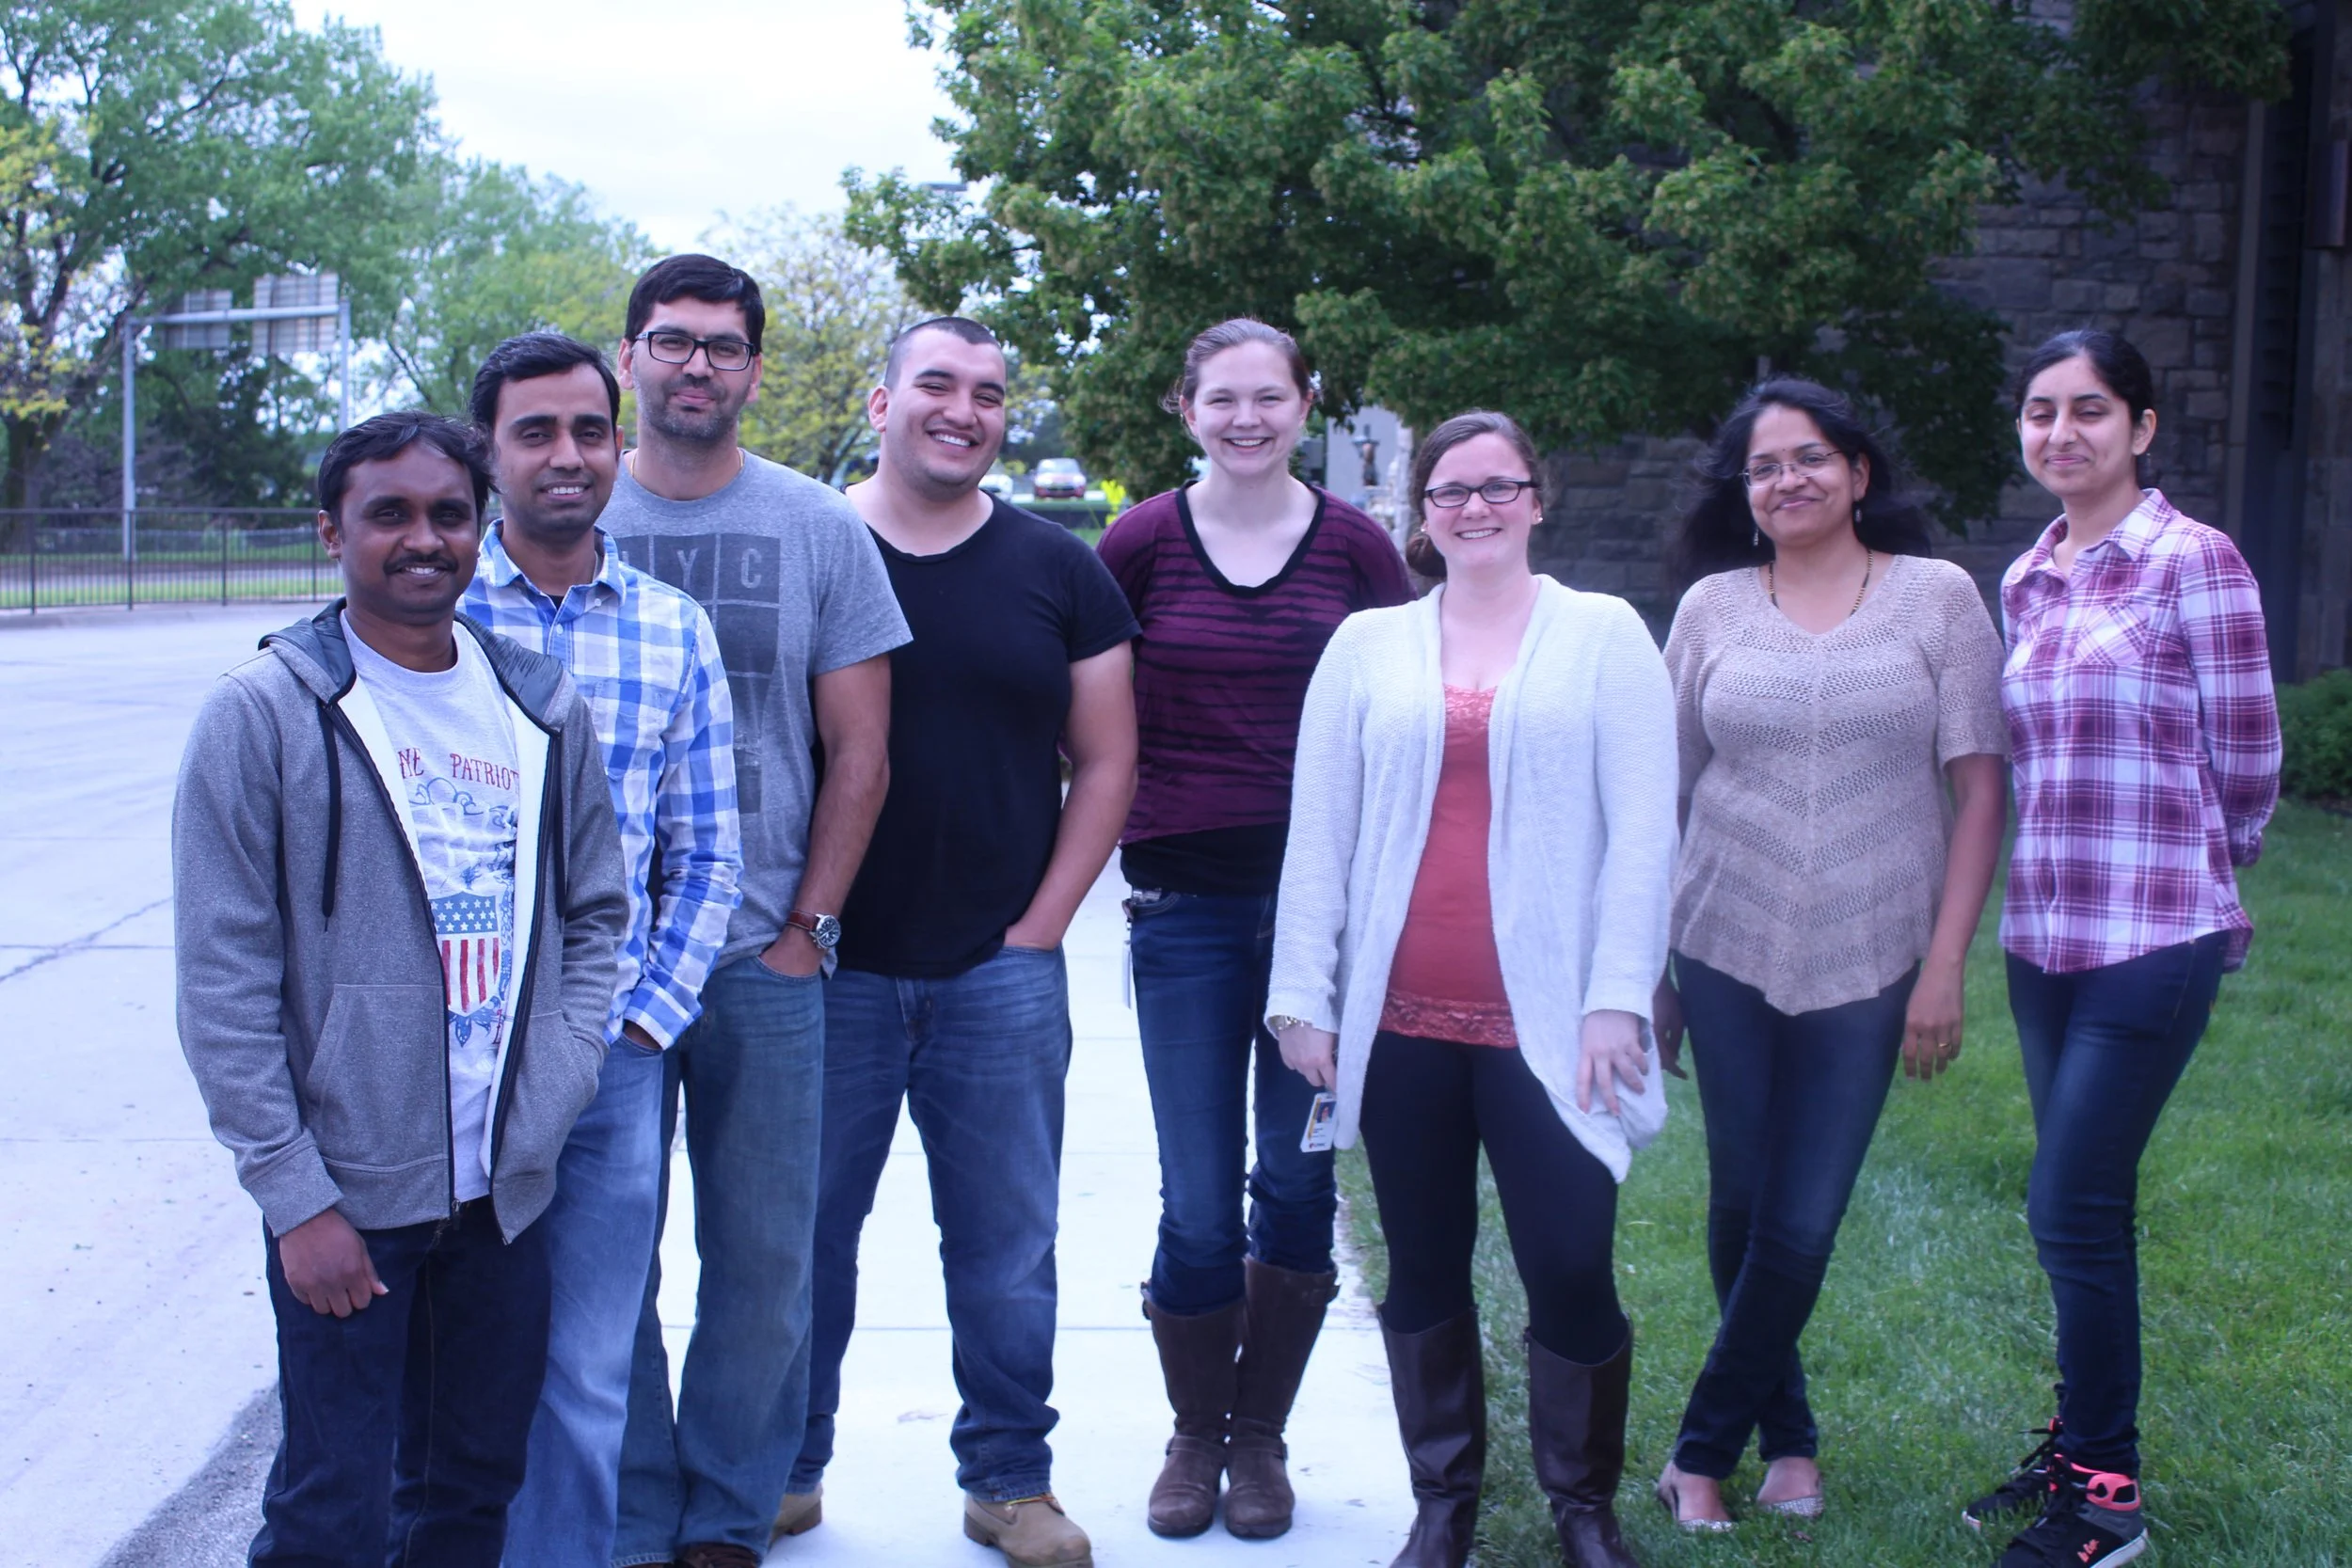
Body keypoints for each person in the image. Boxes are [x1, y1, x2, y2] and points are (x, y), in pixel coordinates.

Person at [172, 412, 629, 1567]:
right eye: (389, 513)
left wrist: (558, 1080)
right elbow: (225, 982)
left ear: (482, 531)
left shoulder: (537, 704)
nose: (422, 538)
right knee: (333, 1505)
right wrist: (295, 1197)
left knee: (471, 1487)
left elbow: (594, 913)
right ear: (332, 529)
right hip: (349, 1200)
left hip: (503, 1192)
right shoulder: (261, 715)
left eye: (448, 514)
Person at [1267, 410, 1677, 1568]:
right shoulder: (1365, 645)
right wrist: (1304, 993)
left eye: (1499, 486)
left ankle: (1581, 1507)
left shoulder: (1603, 635)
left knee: (1567, 1260)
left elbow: (1647, 832)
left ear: (1537, 499)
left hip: (1551, 1020)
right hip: (1400, 1021)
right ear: (1424, 515)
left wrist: (1616, 995)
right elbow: (1320, 832)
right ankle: (1443, 1502)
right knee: (1423, 1260)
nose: (1476, 507)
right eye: (1451, 491)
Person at [782, 317, 1138, 1568]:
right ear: (881, 401)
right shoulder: (808, 546)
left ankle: (1008, 1479)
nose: (963, 408)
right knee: (803, 1231)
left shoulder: (1059, 568)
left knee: (1004, 1242)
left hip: (998, 970)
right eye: (936, 382)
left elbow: (1106, 760)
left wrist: (1039, 931)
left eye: (989, 392)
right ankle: (784, 1463)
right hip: (823, 967)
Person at [1648, 378, 2009, 1530]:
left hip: (1877, 940)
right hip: (1720, 933)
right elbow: (1665, 790)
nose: (1786, 480)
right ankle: (1788, 1441)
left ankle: (1697, 1447)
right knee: (1743, 1198)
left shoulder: (1938, 599)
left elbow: (1980, 786)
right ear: (1743, 495)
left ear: (1858, 472)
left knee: (1804, 1210)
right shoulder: (1708, 607)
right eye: (1762, 467)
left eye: (1809, 458)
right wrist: (1650, 969)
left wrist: (1945, 962)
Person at [600, 256, 911, 1568]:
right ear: (630, 359)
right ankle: (629, 1507)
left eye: (723, 348)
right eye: (671, 343)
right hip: (596, 964)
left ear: (755, 371)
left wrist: (808, 927)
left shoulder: (817, 526)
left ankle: (727, 1515)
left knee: (766, 1261)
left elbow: (862, 751)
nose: (696, 367)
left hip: (760, 956)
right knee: (605, 1262)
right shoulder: (565, 511)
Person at [1965, 329, 2279, 1568]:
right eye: (2041, 412)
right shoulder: (2028, 576)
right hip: (2044, 936)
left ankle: (2107, 1500)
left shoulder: (2196, 561)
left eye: (2090, 410)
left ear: (2141, 427)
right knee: (2082, 1211)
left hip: (2155, 930)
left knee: (2067, 1201)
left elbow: (2250, 755)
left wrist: (2200, 857)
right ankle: (2078, 1438)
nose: (2062, 434)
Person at [1096, 318, 1412, 1540]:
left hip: (1321, 927)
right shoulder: (1139, 543)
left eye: (1269, 396)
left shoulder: (1355, 548)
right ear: (1186, 409)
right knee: (1195, 1198)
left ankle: (1263, 1438)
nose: (1246, 417)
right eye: (1221, 397)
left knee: (1293, 1182)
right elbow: (1085, 705)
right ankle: (1195, 1432)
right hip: (1181, 914)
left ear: (1304, 404)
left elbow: (1409, 709)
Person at [458, 332, 744, 1568]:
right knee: (446, 1368)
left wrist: (642, 1024)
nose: (567, 454)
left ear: (615, 445)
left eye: (588, 429)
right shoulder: (430, 609)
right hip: (445, 1063)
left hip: (605, 1065)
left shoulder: (675, 630)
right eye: (535, 430)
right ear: (488, 451)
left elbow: (709, 855)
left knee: (584, 1375)